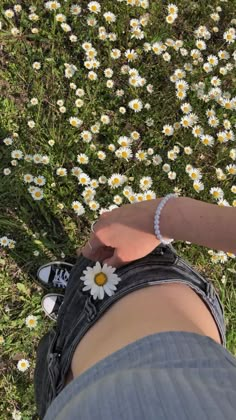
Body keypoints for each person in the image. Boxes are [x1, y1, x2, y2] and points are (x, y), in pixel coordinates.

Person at [34, 194, 236, 420]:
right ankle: (79, 288)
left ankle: (70, 306)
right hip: (140, 289)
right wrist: (162, 218)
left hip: (61, 393)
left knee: (60, 332)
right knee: (97, 264)